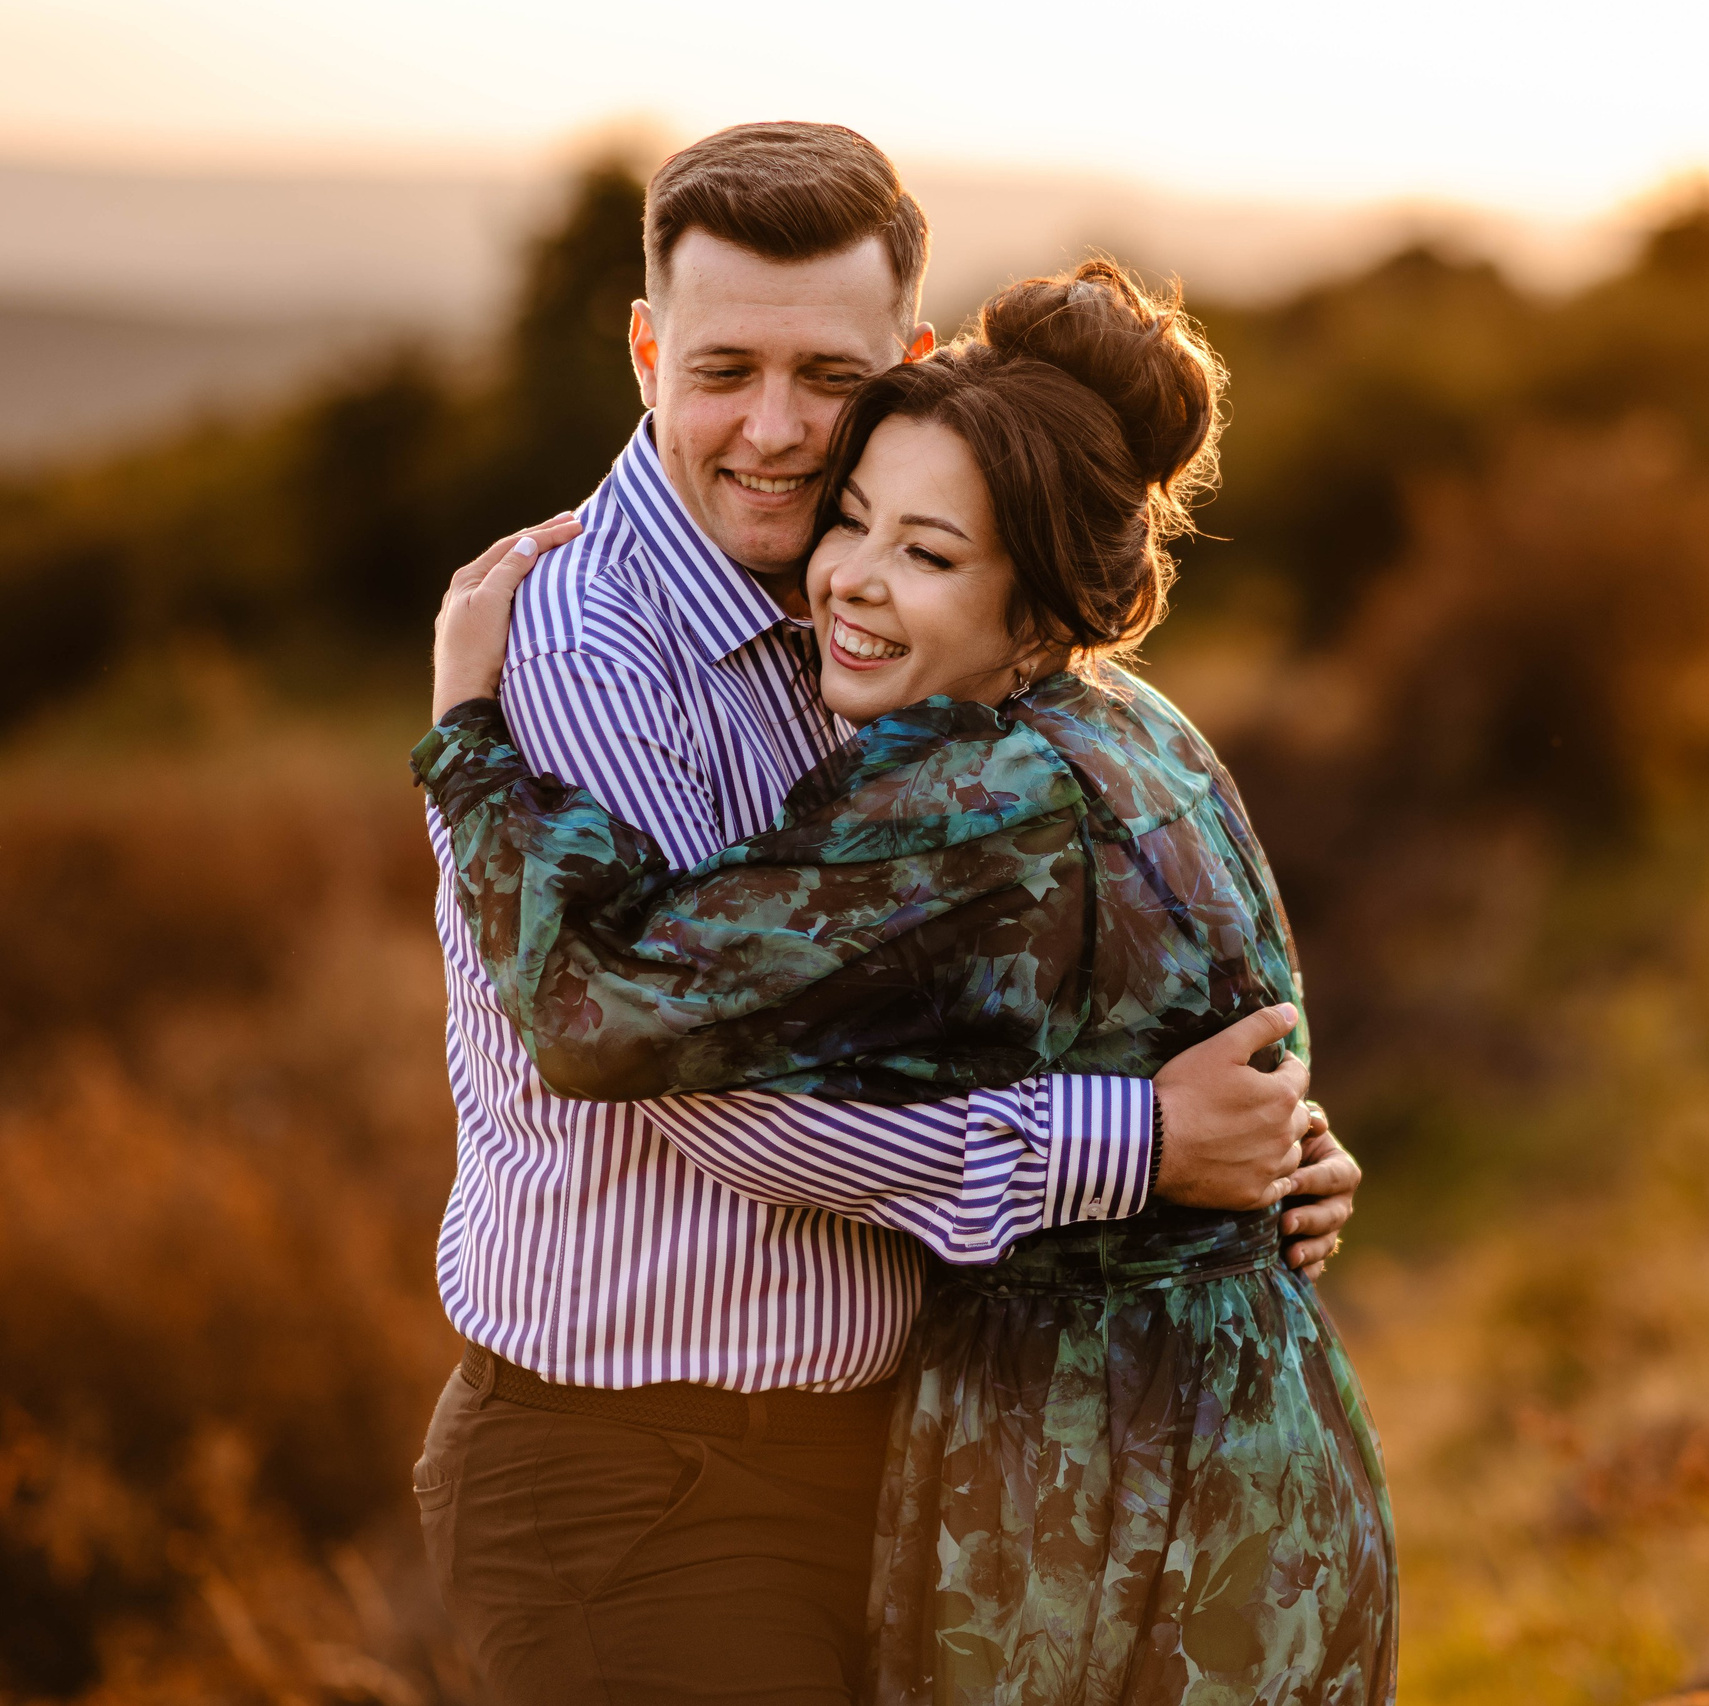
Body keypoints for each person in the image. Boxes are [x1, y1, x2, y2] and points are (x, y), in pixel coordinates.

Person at [410, 123, 1359, 1703]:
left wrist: (1268, 1145)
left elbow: (1024, 976)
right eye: (722, 369)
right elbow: (694, 1078)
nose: (777, 435)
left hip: (898, 1443)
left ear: (910, 360)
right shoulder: (584, 650)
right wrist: (1140, 1144)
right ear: (645, 351)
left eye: (826, 380)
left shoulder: (916, 640)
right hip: (641, 1465)